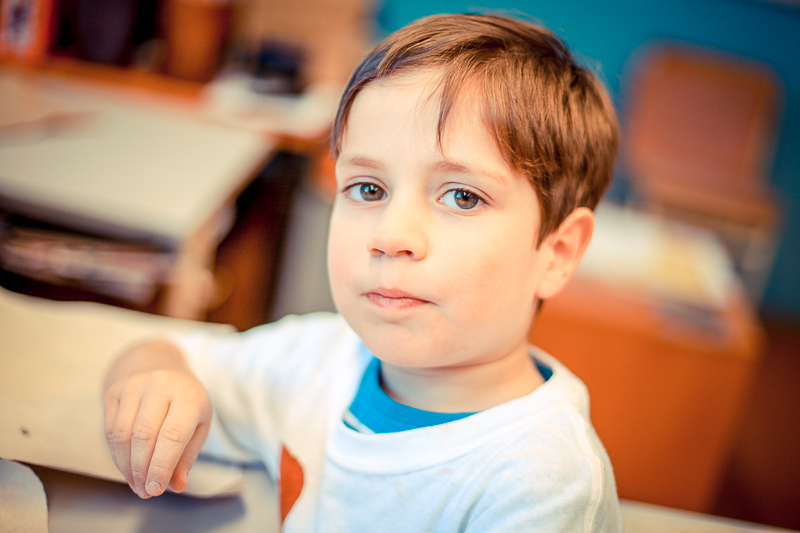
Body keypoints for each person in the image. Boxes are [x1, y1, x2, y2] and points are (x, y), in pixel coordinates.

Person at [103, 12, 622, 532]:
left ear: (556, 254)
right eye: (368, 189)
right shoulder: (313, 363)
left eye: (462, 197)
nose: (390, 235)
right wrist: (157, 383)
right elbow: (163, 351)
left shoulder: (543, 483)